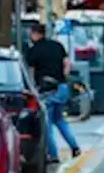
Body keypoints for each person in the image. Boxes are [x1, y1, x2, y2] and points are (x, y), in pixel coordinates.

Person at [24, 22, 80, 162]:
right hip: (61, 88)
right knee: (59, 119)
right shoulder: (57, 45)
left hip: (46, 91)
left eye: (31, 33)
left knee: (47, 124)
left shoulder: (34, 51)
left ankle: (53, 154)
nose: (30, 36)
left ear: (36, 34)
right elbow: (67, 63)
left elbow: (30, 73)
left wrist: (32, 88)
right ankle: (75, 147)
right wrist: (63, 77)